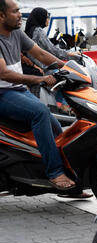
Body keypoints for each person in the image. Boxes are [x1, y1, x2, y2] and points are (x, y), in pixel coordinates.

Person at [0, 0, 76, 190]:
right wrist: (38, 80)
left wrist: (66, 65)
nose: (20, 15)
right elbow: (4, 74)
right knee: (40, 112)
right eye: (15, 11)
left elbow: (41, 54)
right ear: (1, 16)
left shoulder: (17, 33)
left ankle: (70, 175)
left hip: (16, 90)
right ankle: (55, 173)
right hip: (3, 93)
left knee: (56, 126)